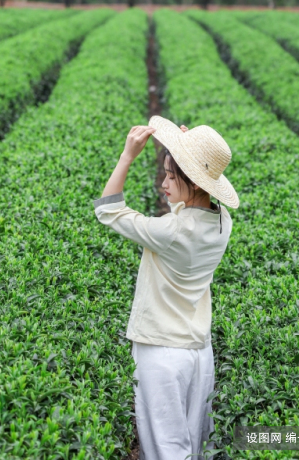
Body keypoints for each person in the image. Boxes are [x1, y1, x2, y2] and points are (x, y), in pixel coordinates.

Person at [93, 114, 240, 460]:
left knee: (167, 450)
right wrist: (184, 153)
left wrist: (127, 156)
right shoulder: (222, 221)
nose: (163, 182)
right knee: (193, 444)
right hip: (198, 353)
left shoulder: (169, 231)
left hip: (160, 353)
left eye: (172, 175)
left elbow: (107, 210)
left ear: (193, 180)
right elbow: (189, 203)